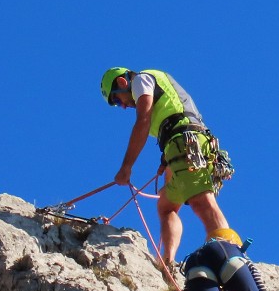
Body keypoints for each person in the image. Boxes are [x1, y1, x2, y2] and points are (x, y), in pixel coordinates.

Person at [100, 67, 239, 266]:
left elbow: (143, 120)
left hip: (184, 142)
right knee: (166, 206)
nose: (121, 106)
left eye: (116, 99)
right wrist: (167, 160)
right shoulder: (154, 84)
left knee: (202, 202)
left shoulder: (141, 80)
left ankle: (230, 261)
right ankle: (167, 261)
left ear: (122, 83)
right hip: (188, 144)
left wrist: (126, 167)